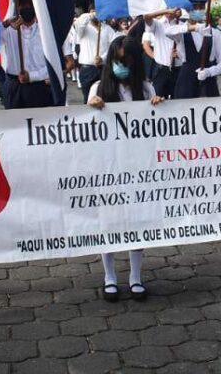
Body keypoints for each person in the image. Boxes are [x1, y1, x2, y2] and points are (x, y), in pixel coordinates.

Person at [87, 36, 164, 301]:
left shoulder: (146, 88)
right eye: (118, 60)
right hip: (108, 166)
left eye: (127, 60)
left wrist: (159, 108)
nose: (122, 65)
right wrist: (92, 106)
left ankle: (135, 277)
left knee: (137, 220)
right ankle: (109, 276)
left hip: (137, 166)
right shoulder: (98, 87)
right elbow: (86, 126)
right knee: (109, 221)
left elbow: (158, 128)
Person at [0, 0, 54, 109]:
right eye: (23, 5)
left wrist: (33, 76)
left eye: (30, 5)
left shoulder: (46, 32)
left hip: (38, 87)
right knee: (14, 124)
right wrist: (6, 23)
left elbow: (52, 64)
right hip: (14, 86)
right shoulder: (9, 30)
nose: (27, 8)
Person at [172, 0, 221, 99]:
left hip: (208, 83)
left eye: (201, 7)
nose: (198, 10)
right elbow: (167, 31)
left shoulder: (214, 32)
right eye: (194, 7)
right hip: (186, 82)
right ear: (188, 10)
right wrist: (192, 28)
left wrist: (210, 71)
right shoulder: (180, 31)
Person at [75, 4, 116, 102]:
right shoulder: (84, 29)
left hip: (103, 69)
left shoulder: (107, 29)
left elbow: (113, 48)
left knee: (105, 98)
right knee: (88, 99)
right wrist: (91, 15)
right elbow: (78, 23)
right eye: (93, 11)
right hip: (87, 70)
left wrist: (103, 58)